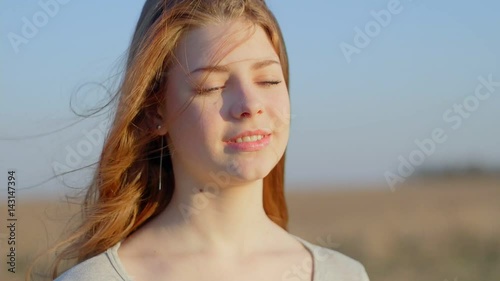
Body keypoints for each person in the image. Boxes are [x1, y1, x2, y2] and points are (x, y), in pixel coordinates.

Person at [28, 0, 370, 280]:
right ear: (154, 112)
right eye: (212, 86)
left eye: (267, 80)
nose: (250, 105)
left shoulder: (343, 274)